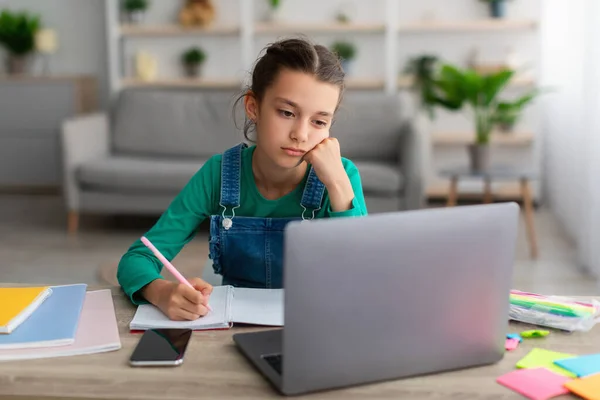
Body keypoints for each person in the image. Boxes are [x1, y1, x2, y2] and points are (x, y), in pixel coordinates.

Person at [117, 37, 368, 321]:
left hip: (316, 324)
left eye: (319, 122)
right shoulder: (218, 174)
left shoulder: (342, 177)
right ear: (253, 107)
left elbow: (360, 281)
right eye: (287, 112)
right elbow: (137, 259)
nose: (301, 134)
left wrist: (336, 184)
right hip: (232, 329)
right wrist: (160, 291)